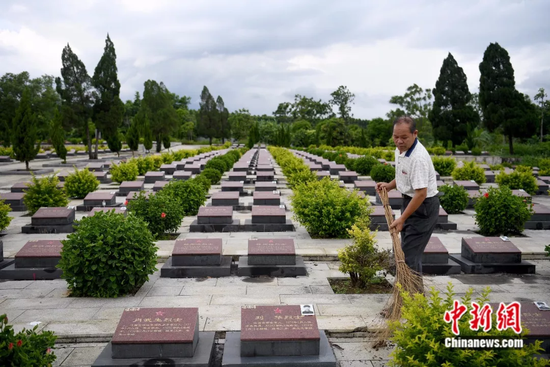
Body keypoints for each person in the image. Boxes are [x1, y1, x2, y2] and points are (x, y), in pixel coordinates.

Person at [376, 116, 439, 285]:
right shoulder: (401, 150)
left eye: (404, 137)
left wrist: (402, 218)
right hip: (410, 203)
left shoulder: (418, 158)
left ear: (415, 134)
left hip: (423, 207)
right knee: (405, 253)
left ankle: (414, 303)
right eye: (396, 137)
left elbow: (421, 194)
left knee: (410, 257)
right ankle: (406, 298)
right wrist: (390, 185)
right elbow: (404, 174)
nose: (399, 141)